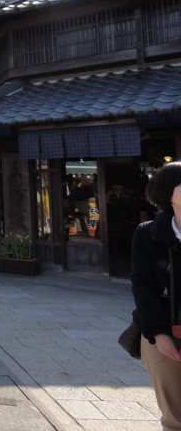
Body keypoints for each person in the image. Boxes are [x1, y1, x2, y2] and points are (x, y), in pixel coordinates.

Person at [132, 162, 181, 429]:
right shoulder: (147, 234)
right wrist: (160, 335)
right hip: (162, 333)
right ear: (168, 193)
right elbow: (143, 287)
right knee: (174, 414)